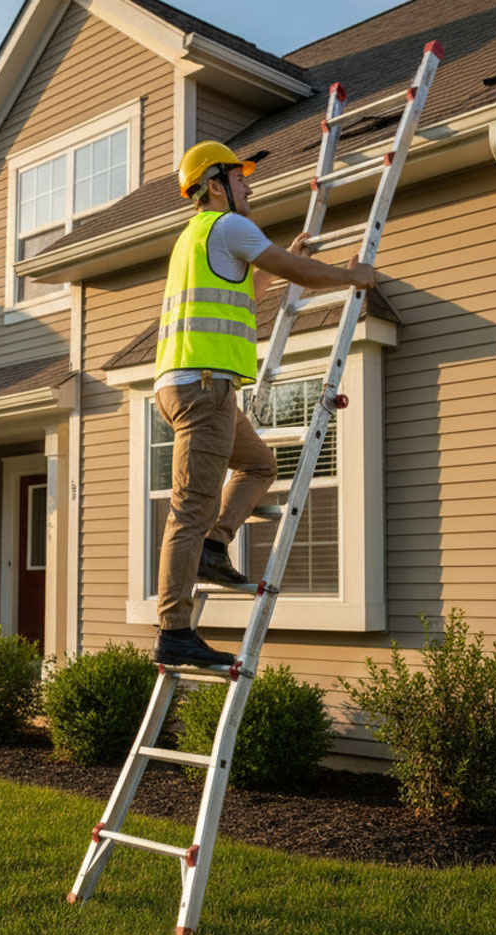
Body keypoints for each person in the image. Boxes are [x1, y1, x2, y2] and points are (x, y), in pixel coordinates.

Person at [151, 140, 378, 668]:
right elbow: (301, 276)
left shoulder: (195, 237)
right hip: (203, 388)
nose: (249, 185)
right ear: (215, 184)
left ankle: (214, 546)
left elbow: (248, 285)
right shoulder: (228, 225)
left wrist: (286, 262)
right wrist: (352, 277)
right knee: (189, 510)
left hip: (194, 387)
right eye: (241, 176)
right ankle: (175, 630)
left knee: (259, 463)